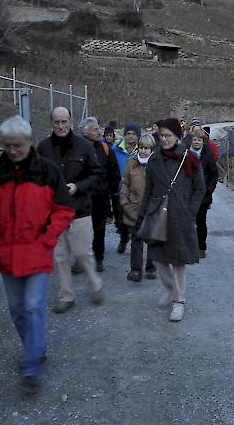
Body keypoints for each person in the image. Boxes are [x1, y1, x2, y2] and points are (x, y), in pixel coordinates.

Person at [0, 115, 75, 393]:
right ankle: (36, 347)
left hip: (38, 253)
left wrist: (48, 238)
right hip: (7, 255)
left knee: (32, 306)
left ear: (29, 142)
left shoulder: (48, 171)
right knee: (17, 310)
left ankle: (32, 366)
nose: (13, 150)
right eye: (7, 145)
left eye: (18, 144)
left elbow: (64, 209)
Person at [37, 107, 105, 313]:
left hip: (80, 209)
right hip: (54, 212)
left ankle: (95, 284)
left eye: (64, 121)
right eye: (57, 122)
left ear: (71, 122)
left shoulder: (84, 146)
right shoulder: (43, 147)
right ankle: (67, 296)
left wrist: (78, 186)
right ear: (51, 123)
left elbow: (97, 173)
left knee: (83, 252)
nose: (61, 126)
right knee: (61, 256)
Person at [137, 118, 205, 322]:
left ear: (177, 136)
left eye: (168, 135)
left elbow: (200, 188)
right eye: (162, 135)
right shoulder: (155, 160)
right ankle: (169, 287)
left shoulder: (190, 158)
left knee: (177, 261)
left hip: (180, 217)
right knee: (157, 256)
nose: (164, 139)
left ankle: (179, 301)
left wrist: (189, 211)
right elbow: (148, 190)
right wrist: (142, 215)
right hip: (158, 214)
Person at [79, 117, 120, 272]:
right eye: (95, 129)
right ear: (85, 131)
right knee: (81, 230)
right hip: (81, 198)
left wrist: (109, 192)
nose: (99, 131)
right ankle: (82, 259)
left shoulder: (104, 148)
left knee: (99, 229)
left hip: (100, 198)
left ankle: (98, 258)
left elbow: (114, 171)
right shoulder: (75, 148)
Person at [120, 133, 157, 281]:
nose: (143, 151)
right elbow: (125, 184)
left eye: (147, 148)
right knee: (136, 240)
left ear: (151, 149)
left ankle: (151, 268)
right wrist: (124, 202)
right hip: (134, 208)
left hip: (152, 208)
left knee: (153, 239)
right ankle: (135, 270)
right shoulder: (131, 163)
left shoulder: (157, 164)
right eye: (141, 147)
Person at [184, 128, 219, 258]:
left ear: (203, 141)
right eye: (195, 139)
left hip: (203, 195)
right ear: (191, 140)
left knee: (200, 221)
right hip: (187, 193)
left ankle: (201, 247)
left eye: (199, 140)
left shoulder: (207, 154)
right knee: (187, 221)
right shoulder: (185, 153)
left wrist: (208, 189)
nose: (197, 142)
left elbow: (214, 174)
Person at [112, 122, 141, 254]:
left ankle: (136, 245)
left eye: (133, 134)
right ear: (124, 135)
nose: (130, 136)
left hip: (136, 192)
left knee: (135, 220)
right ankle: (123, 240)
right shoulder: (115, 149)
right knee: (122, 220)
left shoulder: (142, 150)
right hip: (120, 190)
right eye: (128, 133)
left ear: (138, 136)